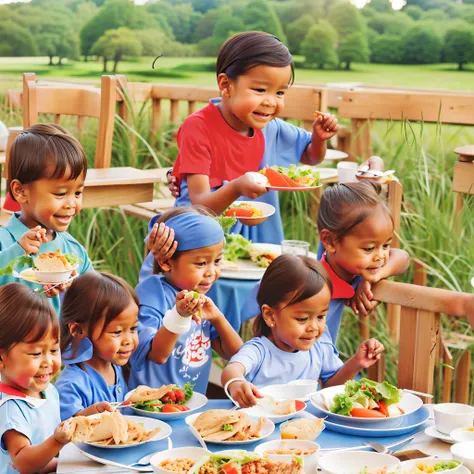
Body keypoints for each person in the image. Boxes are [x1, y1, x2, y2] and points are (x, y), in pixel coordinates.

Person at [140, 30, 339, 279]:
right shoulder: (198, 127)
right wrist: (237, 188)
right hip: (199, 243)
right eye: (259, 89)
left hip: (256, 244)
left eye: (280, 92)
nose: (270, 102)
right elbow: (199, 202)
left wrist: (319, 138)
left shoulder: (270, 127)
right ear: (226, 85)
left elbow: (310, 156)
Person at [221, 255, 384, 408]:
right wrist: (237, 384)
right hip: (261, 428)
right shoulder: (258, 350)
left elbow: (330, 385)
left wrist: (356, 362)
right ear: (270, 315)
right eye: (302, 319)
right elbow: (231, 370)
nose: (313, 327)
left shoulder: (319, 345)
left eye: (321, 316)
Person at [129, 208, 243, 394]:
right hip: (152, 409)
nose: (211, 272)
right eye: (201, 263)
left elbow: (236, 355)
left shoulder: (201, 294)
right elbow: (157, 355)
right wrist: (180, 316)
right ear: (166, 262)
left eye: (217, 261)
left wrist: (218, 318)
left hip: (193, 405)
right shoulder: (152, 292)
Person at [0, 123, 92, 316]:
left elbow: (94, 299)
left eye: (77, 192)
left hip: (59, 346)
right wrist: (18, 251)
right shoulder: (5, 242)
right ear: (20, 191)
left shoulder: (73, 252)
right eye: (60, 193)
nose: (71, 204)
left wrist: (73, 288)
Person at [0, 284, 73, 474]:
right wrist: (57, 442)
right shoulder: (11, 409)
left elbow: (49, 438)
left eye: (54, 350)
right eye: (36, 353)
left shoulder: (47, 391)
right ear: (1, 358)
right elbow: (24, 463)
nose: (48, 361)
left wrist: (88, 416)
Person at [55, 272, 138, 421]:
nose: (128, 340)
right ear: (78, 330)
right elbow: (68, 430)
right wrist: (89, 415)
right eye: (117, 332)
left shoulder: (116, 368)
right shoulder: (71, 384)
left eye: (133, 329)